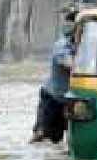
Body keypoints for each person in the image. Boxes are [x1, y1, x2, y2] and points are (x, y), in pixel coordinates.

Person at [32, 10, 76, 144]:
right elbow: (69, 63)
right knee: (46, 138)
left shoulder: (84, 45)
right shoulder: (62, 45)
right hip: (53, 98)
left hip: (69, 99)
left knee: (64, 141)